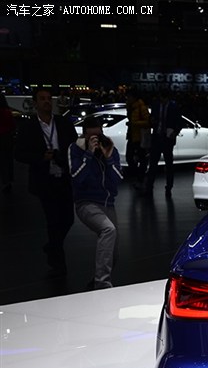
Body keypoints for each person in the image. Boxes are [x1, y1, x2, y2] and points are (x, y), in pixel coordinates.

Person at [14, 87, 78, 275]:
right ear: (35, 103)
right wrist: (41, 157)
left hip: (64, 177)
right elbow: (19, 154)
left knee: (68, 219)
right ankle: (58, 263)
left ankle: (52, 246)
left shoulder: (63, 123)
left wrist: (63, 157)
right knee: (53, 221)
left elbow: (74, 146)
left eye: (49, 98)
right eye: (42, 98)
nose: (47, 101)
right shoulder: (28, 127)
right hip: (44, 179)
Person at [68, 116, 124, 289]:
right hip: (86, 203)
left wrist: (108, 158)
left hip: (108, 204)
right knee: (108, 229)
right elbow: (76, 178)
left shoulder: (109, 149)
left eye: (97, 136)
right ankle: (102, 284)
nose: (95, 140)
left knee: (113, 253)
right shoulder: (75, 149)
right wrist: (88, 154)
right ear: (84, 135)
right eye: (91, 137)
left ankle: (96, 282)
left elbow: (118, 179)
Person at [145, 89, 182, 199]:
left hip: (167, 138)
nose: (162, 100)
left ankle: (168, 187)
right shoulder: (156, 105)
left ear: (167, 98)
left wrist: (175, 132)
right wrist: (152, 120)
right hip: (157, 137)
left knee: (168, 165)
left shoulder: (174, 107)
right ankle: (149, 187)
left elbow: (179, 122)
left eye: (163, 98)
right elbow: (150, 119)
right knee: (153, 164)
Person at [124, 88, 150, 185]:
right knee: (130, 157)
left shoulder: (141, 107)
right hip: (132, 135)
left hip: (140, 137)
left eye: (129, 97)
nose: (127, 98)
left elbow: (148, 122)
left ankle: (140, 178)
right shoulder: (130, 107)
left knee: (141, 158)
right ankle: (138, 176)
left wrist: (134, 124)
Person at [0, 93, 14, 194]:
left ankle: (4, 180)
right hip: (7, 138)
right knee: (8, 160)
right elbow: (12, 125)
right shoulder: (8, 112)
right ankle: (8, 180)